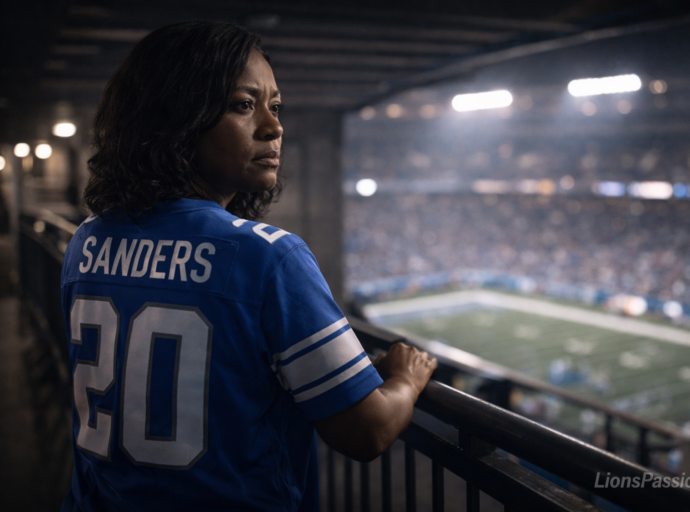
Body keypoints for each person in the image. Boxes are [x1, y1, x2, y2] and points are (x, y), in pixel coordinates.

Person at [60, 21, 436, 512]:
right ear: (176, 118)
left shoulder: (87, 239)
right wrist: (406, 379)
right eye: (243, 105)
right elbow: (367, 430)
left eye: (274, 107)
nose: (274, 127)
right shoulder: (270, 256)